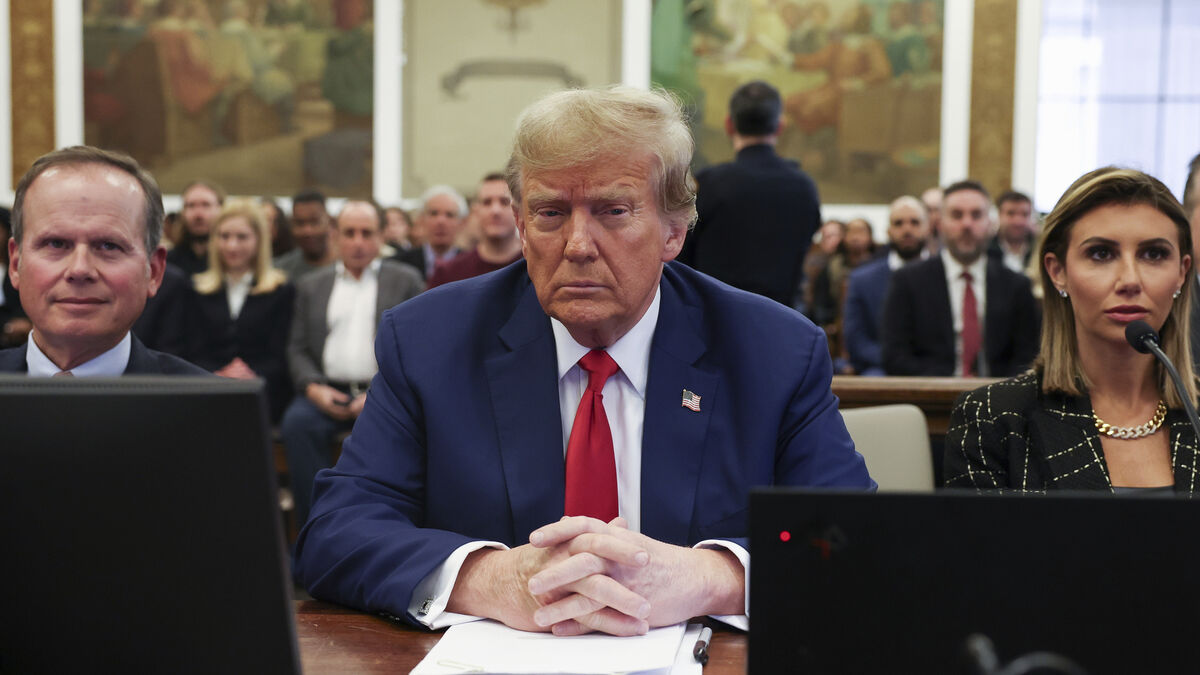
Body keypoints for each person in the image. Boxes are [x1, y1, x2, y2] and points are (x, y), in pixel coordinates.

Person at [292, 86, 874, 637]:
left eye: (613, 211)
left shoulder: (772, 352)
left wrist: (708, 578)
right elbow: (336, 532)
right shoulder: (430, 342)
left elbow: (853, 539)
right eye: (550, 213)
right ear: (521, 227)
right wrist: (491, 579)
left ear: (674, 231)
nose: (577, 245)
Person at [944, 167, 1199, 493]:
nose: (1130, 280)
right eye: (1101, 253)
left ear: (1181, 273)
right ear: (1058, 271)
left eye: (1154, 254)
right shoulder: (992, 418)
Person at [280, 199, 424, 527]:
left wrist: (378, 393)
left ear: (381, 236)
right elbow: (297, 348)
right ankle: (314, 529)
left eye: (366, 233)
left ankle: (378, 530)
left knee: (400, 432)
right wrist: (313, 388)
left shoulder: (405, 280)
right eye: (349, 233)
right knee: (296, 424)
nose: (358, 242)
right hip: (325, 392)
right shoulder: (312, 285)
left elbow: (417, 346)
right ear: (335, 235)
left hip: (385, 393)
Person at [0, 146, 204, 375]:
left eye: (109, 246)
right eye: (56, 244)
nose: (79, 269)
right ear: (16, 264)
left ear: (154, 270)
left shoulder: (214, 399)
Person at [676, 80, 821, 307]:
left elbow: (682, 255)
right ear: (780, 126)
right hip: (783, 318)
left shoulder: (710, 184)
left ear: (729, 125)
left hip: (717, 316)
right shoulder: (804, 187)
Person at [881, 180, 1040, 376]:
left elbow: (1027, 356)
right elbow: (895, 356)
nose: (967, 224)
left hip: (999, 391)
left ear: (991, 224)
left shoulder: (1016, 285)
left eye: (976, 215)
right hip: (930, 390)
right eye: (957, 215)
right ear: (939, 224)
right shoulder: (908, 281)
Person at [187, 200, 295, 422]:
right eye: (224, 236)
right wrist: (218, 375)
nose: (232, 246)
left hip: (263, 395)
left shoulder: (281, 290)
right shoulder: (197, 289)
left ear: (259, 240)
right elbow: (191, 349)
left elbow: (281, 354)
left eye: (242, 237)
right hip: (206, 392)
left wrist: (249, 376)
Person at [843, 196, 930, 375]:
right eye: (898, 223)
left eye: (915, 222)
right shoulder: (862, 279)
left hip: (935, 369)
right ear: (888, 231)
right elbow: (856, 340)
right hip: (881, 367)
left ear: (927, 227)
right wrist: (896, 361)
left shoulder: (946, 274)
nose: (907, 229)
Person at [428, 173, 523, 288]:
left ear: (518, 209)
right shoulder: (448, 274)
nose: (495, 210)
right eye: (487, 202)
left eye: (504, 202)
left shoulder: (535, 267)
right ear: (475, 210)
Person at [394, 186, 466, 280]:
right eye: (434, 213)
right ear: (421, 219)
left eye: (449, 215)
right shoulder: (398, 265)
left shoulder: (471, 267)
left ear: (461, 223)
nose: (441, 221)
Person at [274, 189, 335, 282]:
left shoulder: (348, 268)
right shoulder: (279, 272)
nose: (307, 231)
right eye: (300, 223)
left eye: (314, 222)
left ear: (329, 222)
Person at [167, 180, 224, 277]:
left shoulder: (230, 262)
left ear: (221, 209)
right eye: (191, 205)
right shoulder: (168, 263)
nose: (198, 214)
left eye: (206, 205)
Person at [987, 190, 1037, 274]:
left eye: (1024, 214)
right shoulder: (986, 251)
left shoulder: (1039, 250)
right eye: (1011, 213)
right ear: (999, 215)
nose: (1018, 221)